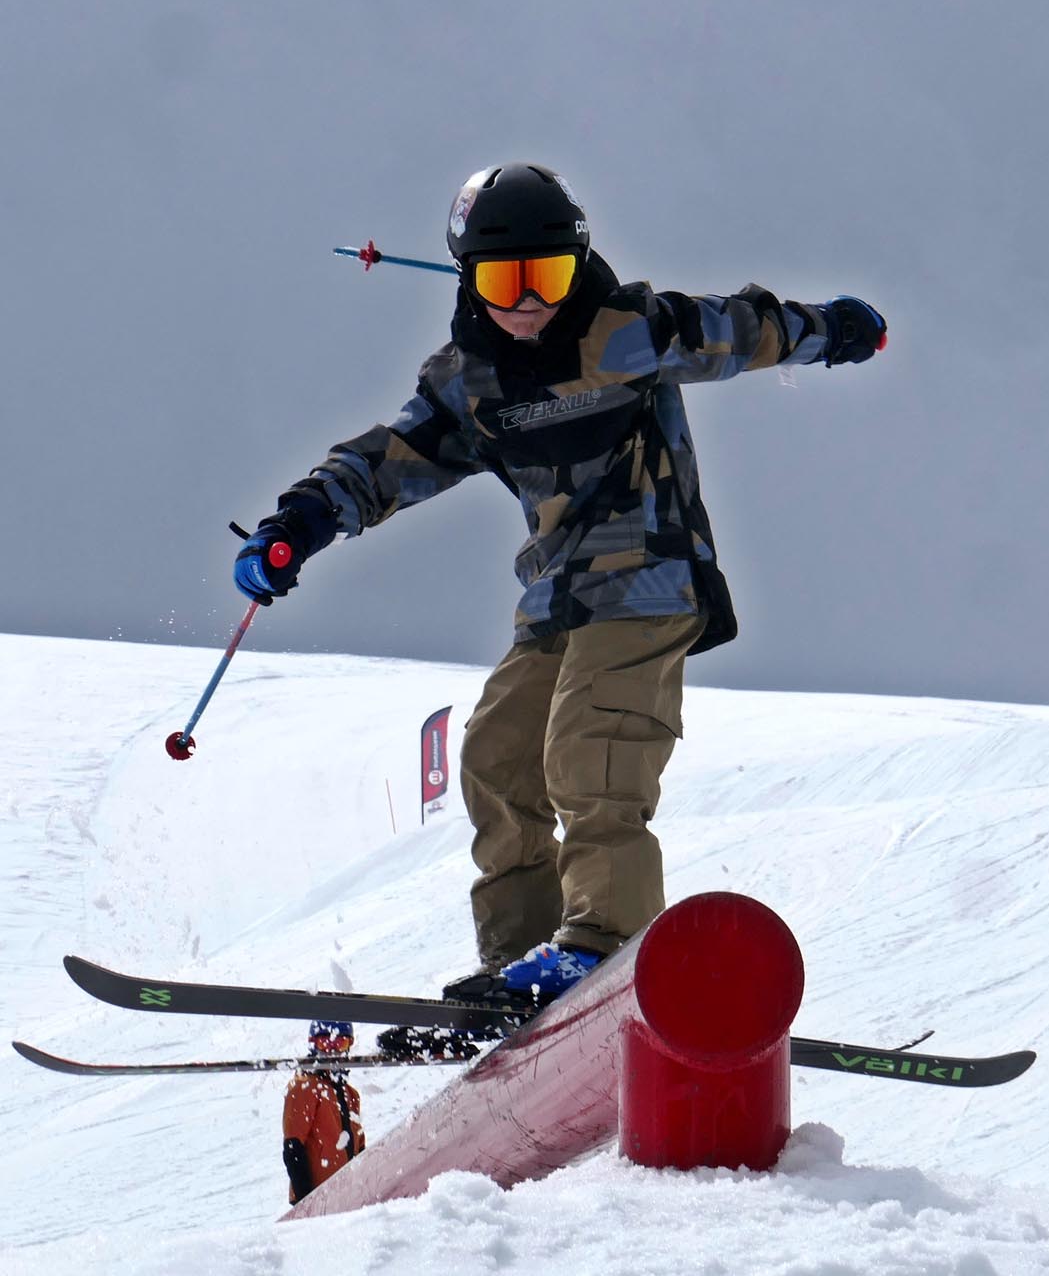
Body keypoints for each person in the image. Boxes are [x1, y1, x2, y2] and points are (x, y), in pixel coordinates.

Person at [234, 163, 886, 1006]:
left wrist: (830, 329)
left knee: (594, 745)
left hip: (650, 573)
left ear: (580, 267)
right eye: (507, 281)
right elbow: (384, 461)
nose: (529, 302)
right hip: (555, 596)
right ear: (470, 281)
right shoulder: (468, 383)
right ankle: (524, 956)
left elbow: (743, 329)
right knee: (498, 756)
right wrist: (300, 524)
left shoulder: (628, 332)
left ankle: (605, 941)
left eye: (549, 276)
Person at [283, 1020, 366, 1203]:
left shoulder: (350, 1094)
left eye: (340, 1043)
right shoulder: (304, 1086)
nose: (333, 1051)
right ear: (313, 1045)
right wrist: (307, 1200)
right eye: (325, 1043)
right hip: (318, 1194)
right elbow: (292, 1146)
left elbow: (359, 1147)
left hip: (348, 1195)